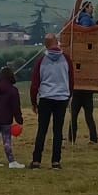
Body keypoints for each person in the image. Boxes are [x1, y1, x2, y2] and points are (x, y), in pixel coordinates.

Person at [28, 33, 73, 169]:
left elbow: (35, 84)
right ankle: (56, 162)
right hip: (61, 98)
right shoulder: (66, 59)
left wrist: (34, 102)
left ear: (46, 45)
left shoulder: (41, 61)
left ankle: (36, 161)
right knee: (58, 131)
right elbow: (71, 80)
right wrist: (69, 96)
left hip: (46, 98)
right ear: (57, 42)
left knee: (42, 130)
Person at [0, 65, 24, 168]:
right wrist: (19, 119)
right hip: (6, 120)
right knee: (7, 141)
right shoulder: (13, 90)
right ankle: (11, 162)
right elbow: (16, 106)